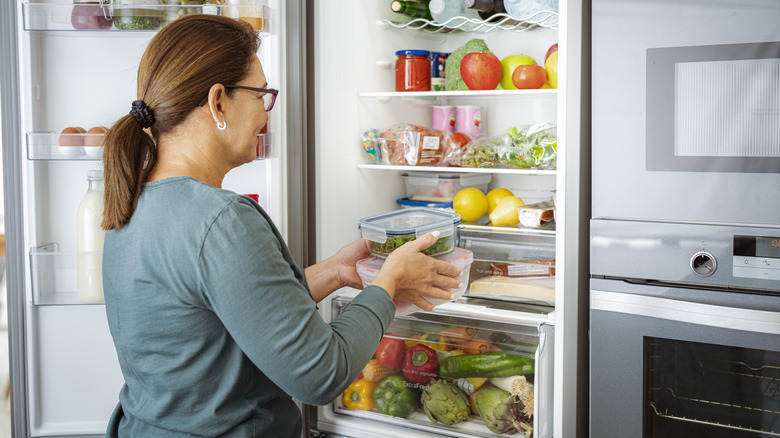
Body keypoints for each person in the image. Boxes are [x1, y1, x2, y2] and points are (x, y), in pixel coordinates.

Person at [100, 14, 462, 438]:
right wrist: (389, 284)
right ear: (218, 102)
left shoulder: (132, 200)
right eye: (261, 95)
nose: (265, 114)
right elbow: (322, 374)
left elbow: (224, 318)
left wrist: (334, 272)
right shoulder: (221, 219)